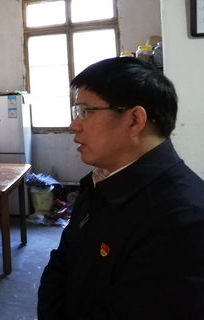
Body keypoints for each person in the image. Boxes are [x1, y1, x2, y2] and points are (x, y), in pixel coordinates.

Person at [37, 57, 204, 319]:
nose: (74, 125)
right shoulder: (100, 183)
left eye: (86, 111)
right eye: (76, 111)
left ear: (135, 120)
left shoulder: (185, 220)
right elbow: (62, 263)